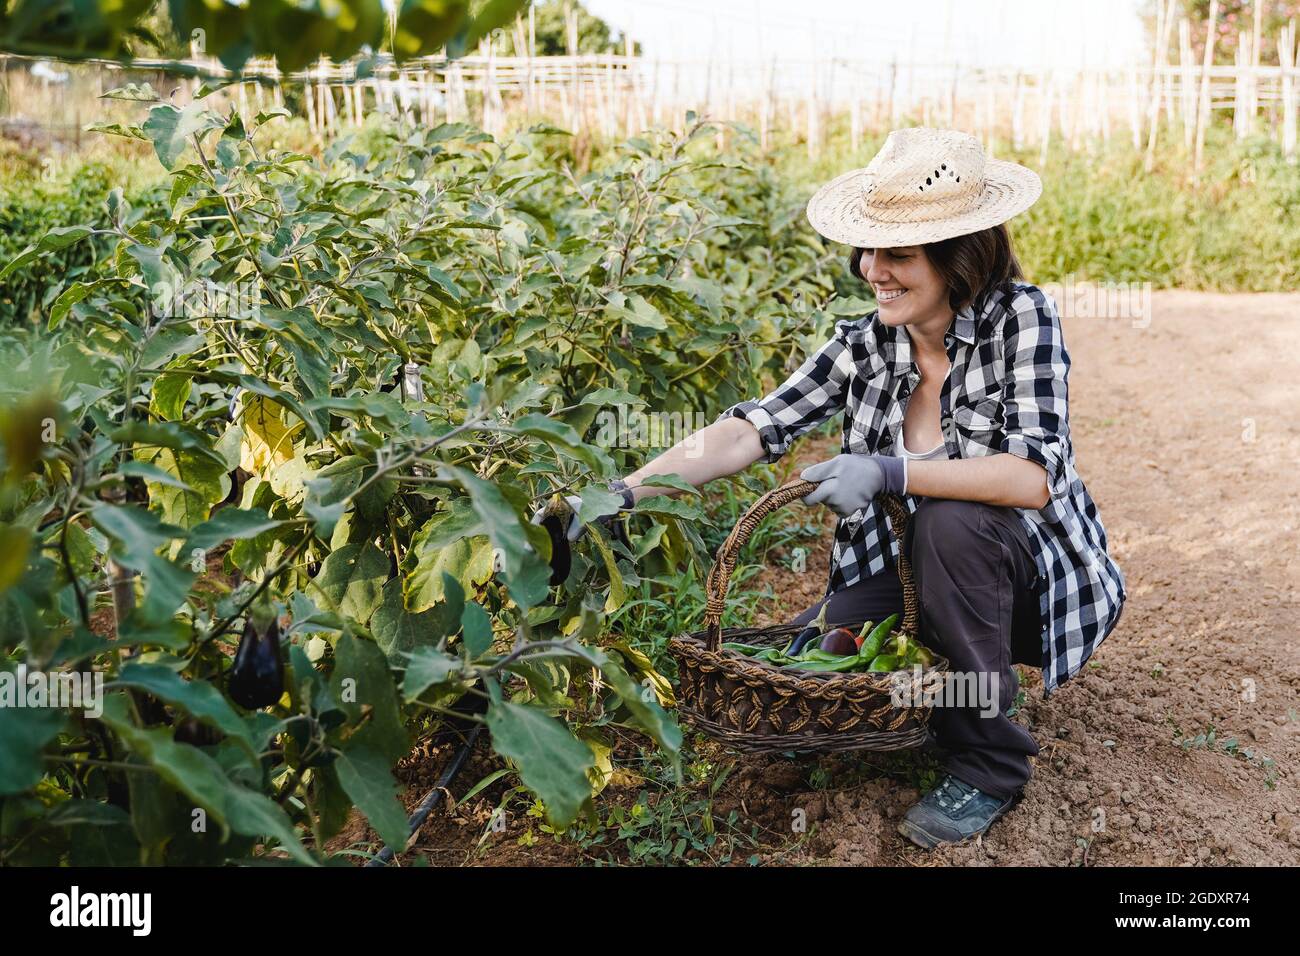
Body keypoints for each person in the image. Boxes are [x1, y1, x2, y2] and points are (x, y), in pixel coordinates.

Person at [536, 127, 1126, 850]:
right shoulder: (866, 343)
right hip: (923, 575)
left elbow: (1030, 479)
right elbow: (748, 430)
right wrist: (618, 494)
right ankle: (941, 685)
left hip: (1029, 587)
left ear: (958, 259)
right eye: (868, 251)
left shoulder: (1020, 320)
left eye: (897, 254)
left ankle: (989, 759)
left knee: (949, 519)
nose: (872, 269)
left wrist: (888, 471)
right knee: (813, 653)